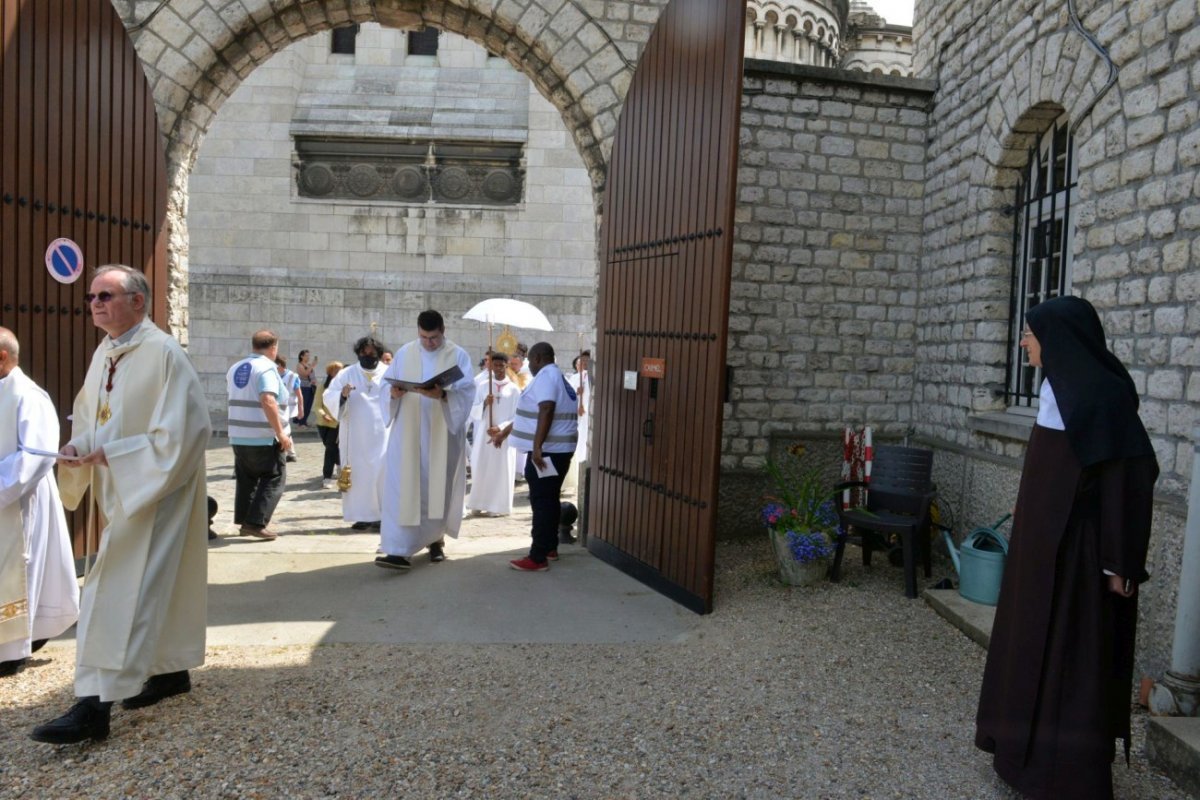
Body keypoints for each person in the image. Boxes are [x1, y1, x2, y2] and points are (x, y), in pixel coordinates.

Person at [974, 296, 1159, 800]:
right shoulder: (1057, 389)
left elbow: (1130, 477)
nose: (1023, 342)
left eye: (1029, 334)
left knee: (1069, 662)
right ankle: (1018, 756)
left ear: (1056, 339)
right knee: (1025, 647)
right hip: (1037, 556)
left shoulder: (1102, 397)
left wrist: (1120, 560)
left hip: (1079, 559)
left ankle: (1066, 776)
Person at [32, 265, 211, 744]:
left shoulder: (165, 354)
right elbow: (96, 415)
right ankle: (170, 671)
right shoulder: (106, 351)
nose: (95, 303)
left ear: (138, 300)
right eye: (92, 296)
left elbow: (188, 433)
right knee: (152, 587)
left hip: (155, 490)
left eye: (106, 295)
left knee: (117, 591)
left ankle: (94, 703)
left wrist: (113, 455)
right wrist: (79, 446)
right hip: (123, 487)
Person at [0, 328, 79, 677]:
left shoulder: (28, 395)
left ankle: (12, 650)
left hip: (19, 500)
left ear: (2, 357)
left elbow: (34, 455)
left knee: (17, 570)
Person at [376, 310, 474, 570]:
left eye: (434, 337)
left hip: (441, 435)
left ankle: (435, 541)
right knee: (402, 488)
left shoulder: (458, 355)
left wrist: (442, 396)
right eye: (423, 337)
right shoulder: (405, 353)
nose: (429, 342)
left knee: (435, 489)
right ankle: (398, 550)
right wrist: (394, 394)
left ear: (444, 330)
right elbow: (385, 388)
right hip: (406, 433)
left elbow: (465, 395)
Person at [492, 342, 578, 571]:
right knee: (548, 500)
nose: (529, 365)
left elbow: (546, 409)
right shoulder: (555, 376)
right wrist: (505, 432)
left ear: (538, 358)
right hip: (555, 449)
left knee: (541, 502)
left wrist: (537, 448)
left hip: (548, 451)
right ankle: (549, 547)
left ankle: (537, 557)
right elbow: (529, 416)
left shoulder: (547, 377)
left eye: (530, 360)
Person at [227, 331, 291, 540]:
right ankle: (255, 523)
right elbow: (268, 399)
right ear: (273, 348)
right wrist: (280, 433)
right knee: (274, 476)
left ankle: (245, 519)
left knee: (247, 478)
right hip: (262, 435)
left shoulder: (235, 367)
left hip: (238, 433)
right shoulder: (266, 368)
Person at [322, 336, 389, 531]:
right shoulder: (346, 374)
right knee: (359, 476)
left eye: (372, 353)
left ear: (378, 353)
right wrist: (341, 395)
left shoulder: (388, 373)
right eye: (363, 353)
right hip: (355, 435)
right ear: (358, 353)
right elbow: (329, 396)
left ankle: (382, 515)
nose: (368, 356)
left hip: (383, 433)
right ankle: (363, 515)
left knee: (382, 474)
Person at [466, 352, 519, 516]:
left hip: (504, 435)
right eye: (494, 365)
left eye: (501, 365)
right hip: (484, 433)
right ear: (490, 366)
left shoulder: (514, 389)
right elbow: (472, 410)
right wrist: (483, 404)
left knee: (500, 469)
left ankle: (497, 506)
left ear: (506, 366)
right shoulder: (483, 386)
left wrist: (501, 427)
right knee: (481, 465)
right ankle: (479, 502)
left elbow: (517, 415)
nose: (498, 368)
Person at [312, 361, 344, 490]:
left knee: (330, 449)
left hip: (337, 423)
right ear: (330, 372)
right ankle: (339, 464)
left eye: (341, 370)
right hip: (324, 423)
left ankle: (327, 477)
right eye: (336, 370)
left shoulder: (343, 387)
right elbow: (317, 406)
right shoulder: (322, 387)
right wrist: (323, 415)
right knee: (331, 448)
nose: (339, 373)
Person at [564, 349, 592, 490]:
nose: (583, 365)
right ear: (576, 365)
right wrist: (577, 393)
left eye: (586, 362)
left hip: (587, 417)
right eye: (581, 363)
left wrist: (583, 406)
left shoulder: (592, 378)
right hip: (575, 417)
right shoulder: (574, 379)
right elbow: (566, 397)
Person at [275, 357, 302, 463]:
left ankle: (289, 453)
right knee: (284, 430)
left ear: (280, 365)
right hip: (278, 407)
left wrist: (301, 408)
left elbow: (299, 395)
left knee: (284, 430)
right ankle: (291, 453)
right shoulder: (273, 375)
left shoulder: (292, 376)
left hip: (288, 408)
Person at [295, 350, 316, 428]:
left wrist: (314, 381)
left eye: (308, 355)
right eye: (306, 355)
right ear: (301, 356)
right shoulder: (299, 365)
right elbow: (304, 374)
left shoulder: (309, 365)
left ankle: (304, 421)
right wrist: (311, 366)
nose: (308, 357)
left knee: (308, 405)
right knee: (303, 405)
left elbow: (311, 375)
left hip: (310, 387)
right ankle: (300, 423)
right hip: (303, 387)